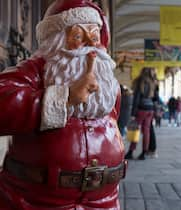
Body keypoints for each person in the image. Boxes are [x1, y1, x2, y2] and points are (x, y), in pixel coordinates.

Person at [0, 0, 126, 209]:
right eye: (78, 36)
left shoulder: (108, 83)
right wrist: (64, 98)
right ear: (56, 40)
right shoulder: (35, 72)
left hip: (105, 201)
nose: (90, 46)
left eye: (94, 37)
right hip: (36, 202)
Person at [124, 67, 157, 160]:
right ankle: (144, 153)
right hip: (150, 109)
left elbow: (136, 98)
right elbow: (156, 98)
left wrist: (133, 114)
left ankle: (130, 152)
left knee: (135, 130)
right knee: (146, 132)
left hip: (141, 109)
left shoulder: (140, 82)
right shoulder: (152, 82)